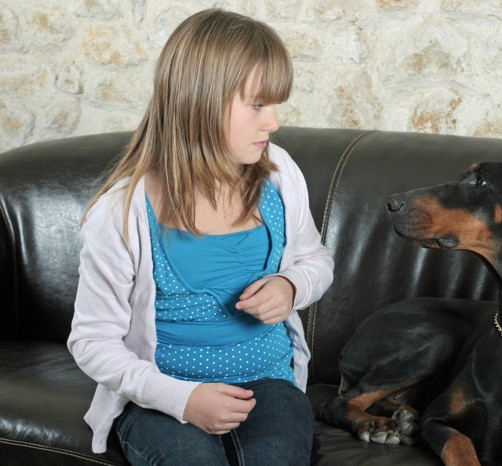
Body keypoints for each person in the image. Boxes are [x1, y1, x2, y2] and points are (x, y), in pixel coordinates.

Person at [67, 8, 333, 466]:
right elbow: (91, 342)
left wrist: (292, 287)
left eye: (275, 106)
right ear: (200, 101)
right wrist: (180, 398)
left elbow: (315, 260)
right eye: (257, 105)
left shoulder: (279, 173)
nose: (273, 123)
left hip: (269, 382)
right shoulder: (121, 213)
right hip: (163, 392)